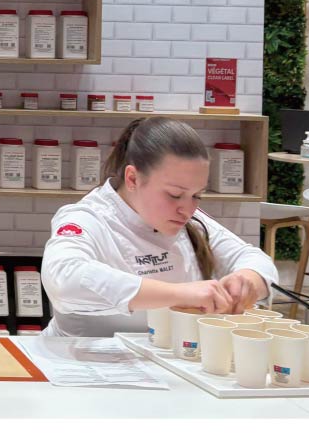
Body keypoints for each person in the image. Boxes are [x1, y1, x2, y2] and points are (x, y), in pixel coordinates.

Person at [41, 117, 280, 337]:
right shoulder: (86, 218)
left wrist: (247, 279)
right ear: (133, 179)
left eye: (197, 195)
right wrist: (180, 293)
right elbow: (65, 279)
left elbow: (251, 257)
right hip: (80, 365)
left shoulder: (193, 219)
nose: (187, 210)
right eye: (175, 195)